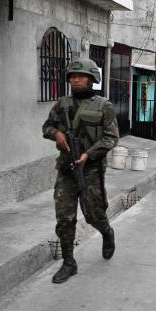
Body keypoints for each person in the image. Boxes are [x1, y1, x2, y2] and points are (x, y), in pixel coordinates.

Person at [42, 58, 119, 284]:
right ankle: (69, 263)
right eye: (72, 76)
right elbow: (47, 126)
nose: (75, 79)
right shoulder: (62, 104)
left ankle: (107, 233)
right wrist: (56, 134)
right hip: (66, 169)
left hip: (91, 170)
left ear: (91, 79)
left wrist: (88, 155)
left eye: (81, 76)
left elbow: (111, 137)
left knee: (93, 214)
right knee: (64, 218)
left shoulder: (104, 106)